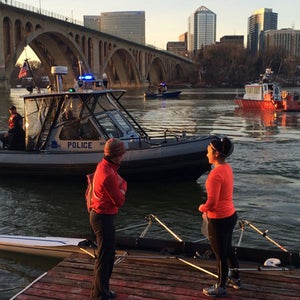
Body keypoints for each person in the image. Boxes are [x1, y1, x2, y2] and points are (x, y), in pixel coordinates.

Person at [198, 137, 240, 298]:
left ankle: (221, 286)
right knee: (228, 249)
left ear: (216, 153)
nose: (206, 153)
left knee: (220, 254)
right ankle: (235, 278)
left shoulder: (215, 174)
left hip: (219, 219)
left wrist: (202, 207)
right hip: (230, 215)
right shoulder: (226, 168)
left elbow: (212, 203)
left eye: (209, 151)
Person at [90, 138, 127, 300]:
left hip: (100, 215)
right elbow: (119, 200)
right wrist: (123, 189)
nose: (124, 155)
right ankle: (100, 294)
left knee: (106, 255)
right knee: (105, 257)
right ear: (117, 155)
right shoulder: (108, 174)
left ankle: (101, 290)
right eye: (122, 152)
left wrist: (121, 186)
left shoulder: (104, 166)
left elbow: (121, 182)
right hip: (103, 217)